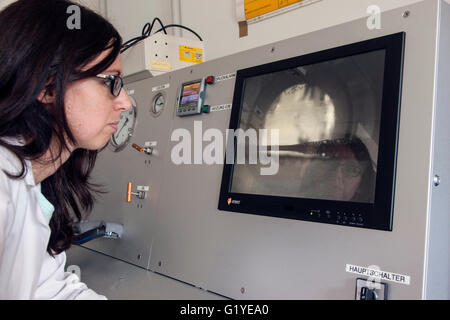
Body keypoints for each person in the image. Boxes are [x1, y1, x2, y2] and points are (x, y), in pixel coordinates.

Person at [0, 0, 131, 299]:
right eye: (110, 81)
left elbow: (47, 289)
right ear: (47, 86)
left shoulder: (33, 186)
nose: (125, 102)